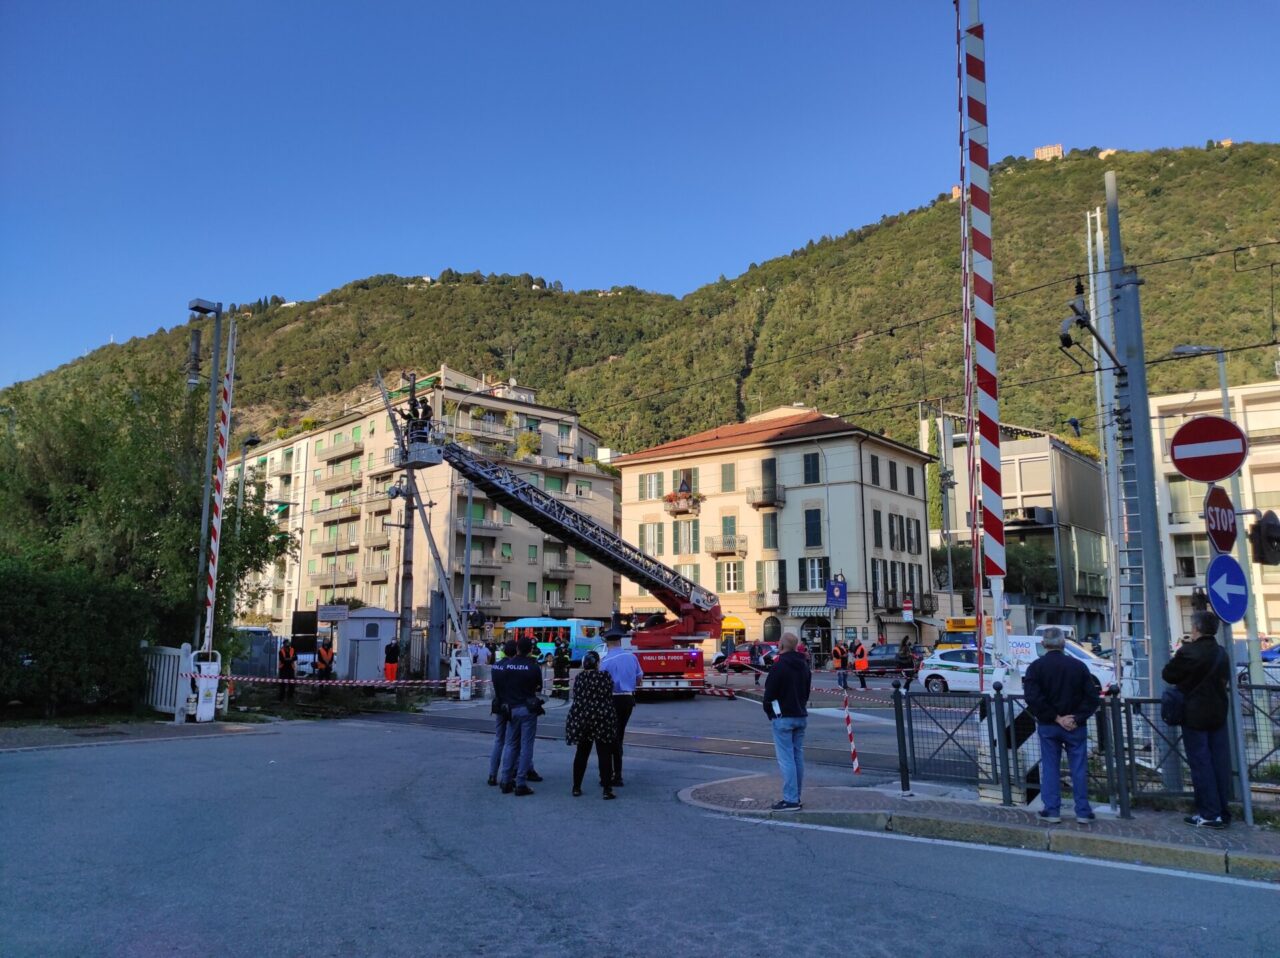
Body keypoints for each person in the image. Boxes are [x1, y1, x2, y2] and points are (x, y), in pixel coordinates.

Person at [1023, 626, 1100, 825]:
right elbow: (1092, 698)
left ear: (1043, 644)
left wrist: (1056, 717)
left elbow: (1033, 698)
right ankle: (1083, 811)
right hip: (1075, 726)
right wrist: (1075, 718)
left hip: (1049, 725)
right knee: (1079, 768)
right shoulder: (1078, 666)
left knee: (1050, 767)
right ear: (1064, 643)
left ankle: (1052, 810)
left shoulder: (1036, 667)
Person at [1163, 611, 1232, 828]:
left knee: (1201, 764)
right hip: (1218, 714)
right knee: (1218, 763)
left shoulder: (1188, 652)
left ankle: (1209, 814)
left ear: (1197, 629)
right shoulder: (1222, 653)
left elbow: (1168, 675)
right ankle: (1222, 810)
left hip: (1194, 716)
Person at [763, 632, 811, 811]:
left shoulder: (779, 666)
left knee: (786, 759)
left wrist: (770, 712)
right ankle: (796, 796)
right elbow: (806, 692)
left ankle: (790, 800)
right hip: (800, 715)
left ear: (781, 646)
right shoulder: (804, 665)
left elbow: (769, 695)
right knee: (797, 757)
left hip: (783, 717)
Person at [494, 636, 545, 795]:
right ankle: (521, 782)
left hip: (511, 709)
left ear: (517, 649)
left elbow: (502, 686)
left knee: (510, 744)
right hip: (528, 710)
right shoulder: (533, 667)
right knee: (526, 745)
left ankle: (505, 780)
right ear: (530, 650)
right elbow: (538, 687)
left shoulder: (507, 666)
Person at [564, 651, 618, 800]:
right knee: (604, 753)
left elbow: (577, 696)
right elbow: (610, 691)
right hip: (602, 718)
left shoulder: (580, 678)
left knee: (581, 753)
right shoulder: (604, 676)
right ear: (597, 663)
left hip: (582, 718)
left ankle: (576, 787)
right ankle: (607, 789)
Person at [600, 618, 644, 787]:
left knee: (611, 738)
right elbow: (639, 678)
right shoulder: (631, 657)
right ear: (619, 641)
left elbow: (601, 683)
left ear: (607, 643)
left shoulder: (606, 661)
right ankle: (617, 774)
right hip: (628, 699)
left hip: (612, 700)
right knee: (620, 735)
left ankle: (612, 774)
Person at [487, 639, 518, 787]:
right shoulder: (513, 667)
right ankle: (509, 774)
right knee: (511, 742)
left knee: (498, 740)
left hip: (498, 704)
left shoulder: (496, 666)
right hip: (511, 705)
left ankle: (492, 775)